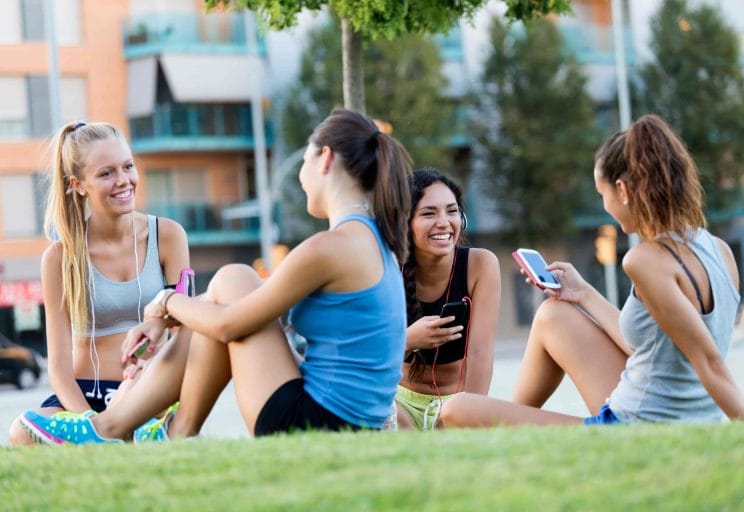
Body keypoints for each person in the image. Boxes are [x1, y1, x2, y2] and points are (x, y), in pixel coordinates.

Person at [19, 108, 412, 444]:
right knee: (227, 287)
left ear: (325, 159)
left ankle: (129, 429)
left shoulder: (331, 246)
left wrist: (166, 302)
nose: (300, 174)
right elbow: (238, 317)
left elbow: (227, 325)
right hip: (336, 414)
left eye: (305, 159)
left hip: (314, 421)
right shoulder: (369, 239)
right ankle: (168, 432)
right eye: (107, 172)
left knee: (230, 281)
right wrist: (169, 314)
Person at [440, 114, 744, 428]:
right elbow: (663, 349)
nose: (605, 206)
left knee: (456, 409)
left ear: (622, 190)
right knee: (553, 315)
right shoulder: (719, 250)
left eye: (602, 195)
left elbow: (710, 362)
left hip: (635, 424)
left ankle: (506, 427)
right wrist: (583, 293)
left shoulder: (644, 260)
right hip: (683, 414)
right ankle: (510, 429)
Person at [8, 121, 189, 445]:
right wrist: (89, 421)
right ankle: (106, 433)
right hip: (84, 397)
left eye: (127, 166)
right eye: (106, 173)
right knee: (20, 433)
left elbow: (185, 331)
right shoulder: (59, 258)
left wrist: (156, 391)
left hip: (150, 389)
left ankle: (134, 428)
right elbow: (59, 369)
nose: (123, 180)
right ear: (78, 185)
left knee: (141, 404)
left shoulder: (169, 236)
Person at [396, 169, 500, 430]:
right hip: (398, 403)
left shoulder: (481, 264)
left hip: (456, 402)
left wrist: (469, 416)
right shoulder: (387, 268)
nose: (443, 222)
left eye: (452, 211)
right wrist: (408, 339)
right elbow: (366, 352)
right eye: (429, 213)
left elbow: (480, 353)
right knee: (394, 420)